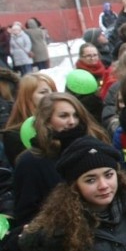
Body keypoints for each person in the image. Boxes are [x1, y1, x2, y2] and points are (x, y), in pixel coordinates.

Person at [13, 92, 109, 228]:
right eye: (63, 116)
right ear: (46, 121)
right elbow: (26, 214)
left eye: (76, 115)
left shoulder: (95, 149)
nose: (72, 122)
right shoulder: (30, 161)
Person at [2, 73, 56, 166]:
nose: (52, 96)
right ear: (27, 97)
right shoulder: (14, 135)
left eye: (53, 91)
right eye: (43, 92)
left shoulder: (62, 124)